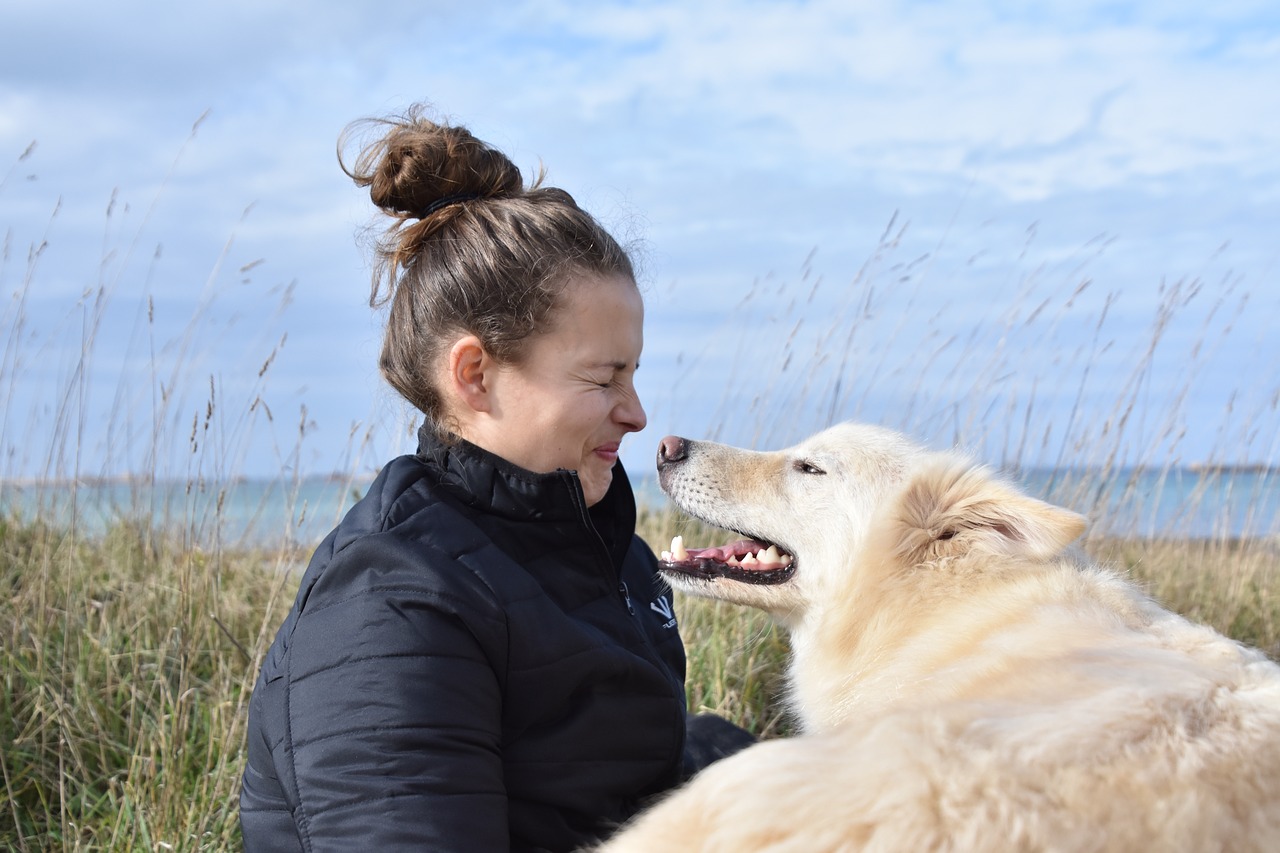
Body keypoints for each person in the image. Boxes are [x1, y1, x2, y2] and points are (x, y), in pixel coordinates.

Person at [238, 105, 754, 852]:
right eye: (605, 378)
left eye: (634, 372)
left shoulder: (601, 546)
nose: (637, 413)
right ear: (476, 375)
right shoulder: (392, 602)